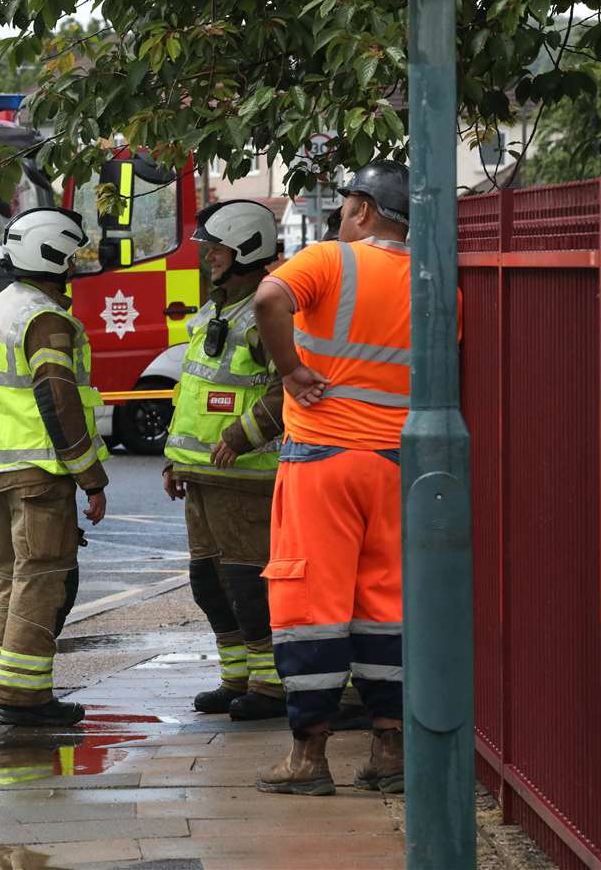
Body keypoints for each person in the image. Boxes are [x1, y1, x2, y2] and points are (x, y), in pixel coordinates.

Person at [250, 160, 414, 797]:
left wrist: (290, 369)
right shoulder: (435, 281)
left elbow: (267, 300)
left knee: (311, 605)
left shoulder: (328, 261)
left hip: (323, 455)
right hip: (395, 462)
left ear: (366, 210)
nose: (340, 216)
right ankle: (388, 750)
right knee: (386, 605)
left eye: (346, 205)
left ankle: (307, 758)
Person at [0, 207, 108, 728]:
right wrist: (89, 476)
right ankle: (25, 698)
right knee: (44, 580)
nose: (77, 265)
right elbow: (59, 402)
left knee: (12, 578)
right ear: (54, 255)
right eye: (73, 256)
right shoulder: (45, 319)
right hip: (37, 470)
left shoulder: (1, 307)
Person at [162, 201, 287, 721]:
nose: (209, 257)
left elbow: (289, 389)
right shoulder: (215, 311)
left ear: (247, 250)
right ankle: (235, 677)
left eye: (218, 248)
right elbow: (192, 390)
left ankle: (272, 685)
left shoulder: (267, 311)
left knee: (246, 583)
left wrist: (241, 435)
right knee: (208, 583)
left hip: (245, 479)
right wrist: (173, 459)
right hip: (201, 477)